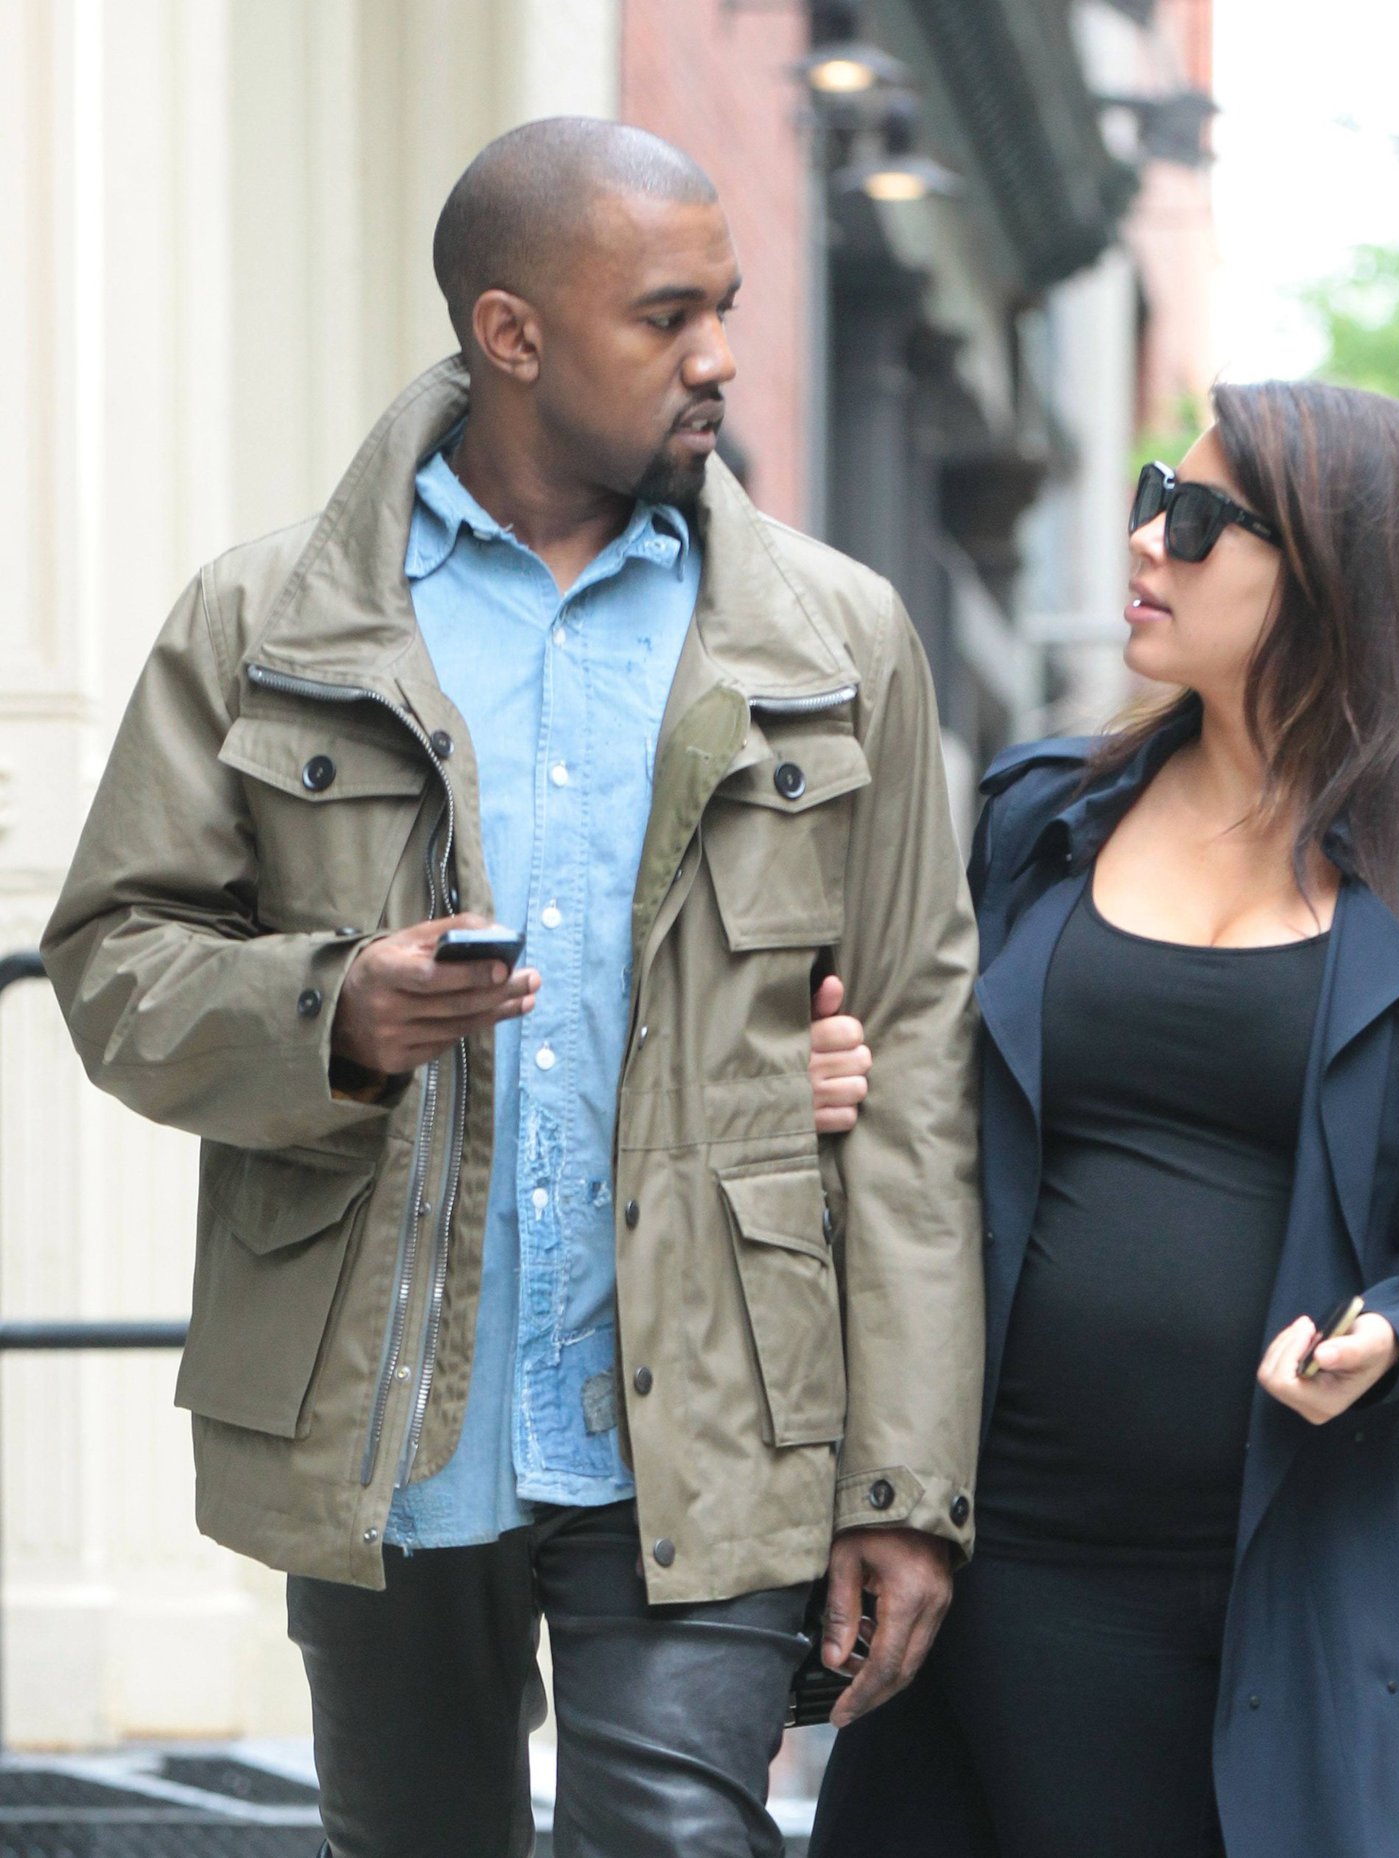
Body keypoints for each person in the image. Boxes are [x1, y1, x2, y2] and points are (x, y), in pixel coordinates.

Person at [41, 119, 980, 1858]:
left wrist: (905, 1482)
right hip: (384, 1410)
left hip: (717, 1411)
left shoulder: (839, 645)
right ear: (511, 330)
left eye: (729, 307)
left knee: (682, 1841)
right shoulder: (262, 619)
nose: (715, 356)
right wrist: (333, 1011)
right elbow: (116, 960)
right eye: (666, 314)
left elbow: (913, 1065)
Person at [810, 380, 1399, 1858]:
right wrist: (843, 1088)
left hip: (1328, 1551)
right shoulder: (1048, 812)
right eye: (1144, 495)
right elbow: (940, 1114)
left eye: (1192, 519)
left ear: (1332, 567)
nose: (1143, 543)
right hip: (1027, 1542)